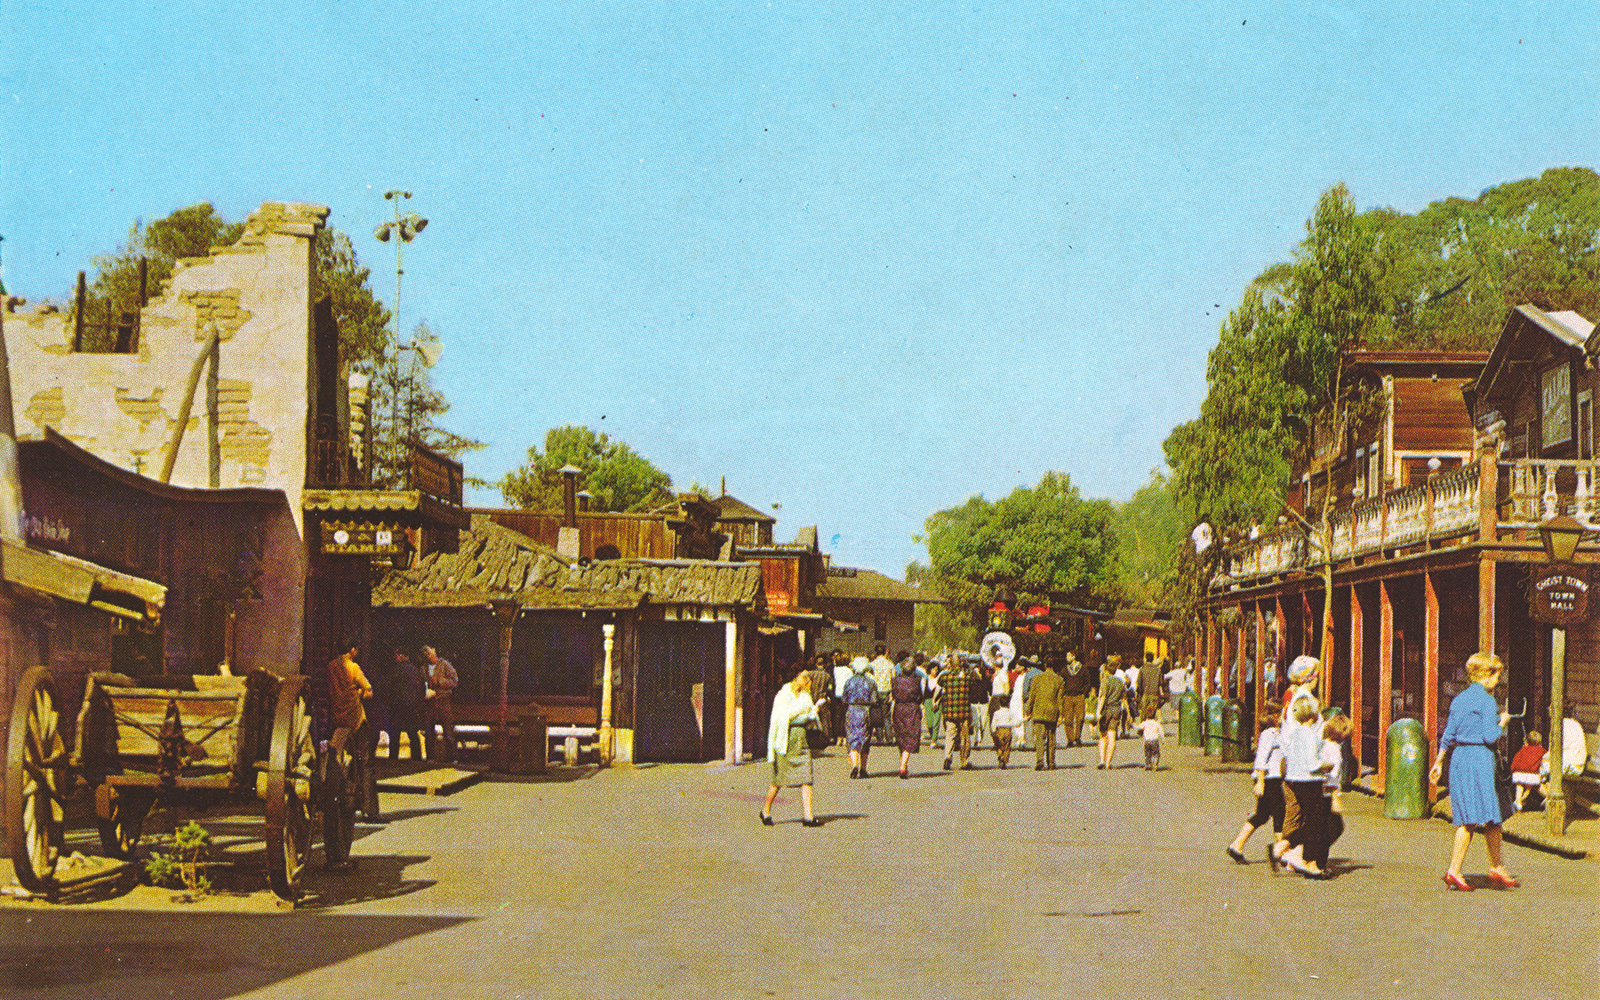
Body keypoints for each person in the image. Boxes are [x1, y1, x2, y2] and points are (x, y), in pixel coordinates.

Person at [1430, 652, 1518, 890]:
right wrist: (1503, 721)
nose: (1498, 680)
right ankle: (1454, 870)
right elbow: (1490, 737)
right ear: (1487, 674)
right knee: (1472, 820)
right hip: (1480, 759)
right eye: (1497, 674)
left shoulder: (1459, 700)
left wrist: (1438, 762)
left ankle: (1497, 866)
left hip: (1459, 759)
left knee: (1492, 815)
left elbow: (1448, 735)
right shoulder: (1488, 701)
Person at [1271, 696, 1333, 878]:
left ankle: (1285, 846)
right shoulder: (1311, 735)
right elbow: (1312, 764)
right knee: (1316, 824)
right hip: (1310, 781)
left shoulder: (1296, 733)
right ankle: (1310, 863)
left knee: (1308, 820)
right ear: (1313, 713)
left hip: (1294, 780)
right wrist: (1326, 765)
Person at [761, 667, 823, 827]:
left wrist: (814, 710)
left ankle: (808, 817)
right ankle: (766, 810)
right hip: (785, 739)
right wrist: (802, 712)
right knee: (778, 779)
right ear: (796, 677)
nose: (808, 680)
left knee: (806, 778)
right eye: (805, 677)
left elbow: (808, 716)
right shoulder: (783, 695)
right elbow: (781, 717)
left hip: (801, 739)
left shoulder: (805, 695)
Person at [1227, 700, 1284, 864]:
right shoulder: (1269, 734)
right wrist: (1260, 782)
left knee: (1262, 815)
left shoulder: (1278, 733)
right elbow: (1261, 759)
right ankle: (1281, 853)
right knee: (1280, 813)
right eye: (1281, 714)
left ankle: (1236, 845)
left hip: (1273, 777)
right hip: (1269, 779)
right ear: (1274, 715)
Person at [326, 641, 378, 820]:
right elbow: (369, 691)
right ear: (351, 650)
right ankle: (369, 809)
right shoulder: (353, 667)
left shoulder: (331, 667)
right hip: (356, 718)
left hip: (338, 719)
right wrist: (359, 694)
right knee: (365, 763)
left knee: (341, 761)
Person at [387, 647, 428, 761]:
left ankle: (393, 758)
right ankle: (417, 758)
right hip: (411, 707)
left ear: (401, 655)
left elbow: (389, 688)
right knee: (413, 734)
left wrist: (390, 703)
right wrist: (417, 703)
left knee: (395, 734)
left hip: (397, 707)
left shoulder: (395, 670)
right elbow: (422, 689)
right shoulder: (415, 671)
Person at [1024, 659, 1064, 770]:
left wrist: (1028, 710)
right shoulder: (1059, 680)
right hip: (1052, 712)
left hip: (1038, 711)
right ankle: (1051, 762)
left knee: (1039, 738)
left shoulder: (1037, 678)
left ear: (1045, 665)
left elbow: (1032, 696)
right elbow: (1060, 699)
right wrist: (1061, 715)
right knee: (1051, 738)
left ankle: (1039, 761)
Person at [940, 656, 978, 770]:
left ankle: (947, 757)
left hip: (950, 710)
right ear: (961, 664)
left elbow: (939, 682)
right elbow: (975, 679)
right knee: (964, 737)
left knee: (950, 735)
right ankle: (964, 761)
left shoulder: (945, 676)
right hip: (963, 711)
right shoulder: (966, 676)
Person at [891, 657, 925, 779]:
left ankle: (903, 764)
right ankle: (903, 765)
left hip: (899, 708)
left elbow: (894, 694)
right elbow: (920, 696)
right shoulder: (917, 681)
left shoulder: (895, 680)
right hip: (912, 709)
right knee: (910, 736)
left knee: (901, 736)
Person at [843, 656, 877, 778]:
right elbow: (874, 700)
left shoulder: (849, 681)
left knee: (852, 738)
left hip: (851, 711)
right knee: (865, 739)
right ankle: (863, 768)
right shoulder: (870, 682)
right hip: (865, 711)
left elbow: (844, 699)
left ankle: (854, 765)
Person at [422, 645, 457, 763]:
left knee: (447, 730)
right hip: (430, 701)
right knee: (429, 731)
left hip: (443, 700)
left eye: (430, 653)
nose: (429, 656)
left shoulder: (445, 665)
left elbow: (454, 681)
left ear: (434, 651)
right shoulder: (424, 668)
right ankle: (430, 757)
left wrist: (440, 681)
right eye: (426, 654)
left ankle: (452, 758)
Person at [1097, 656, 1125, 769]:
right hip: (1116, 709)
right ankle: (1108, 763)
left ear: (1107, 670)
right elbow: (1124, 698)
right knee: (1112, 736)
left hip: (1106, 709)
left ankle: (1101, 760)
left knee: (1103, 736)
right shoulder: (1120, 682)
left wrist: (1098, 711)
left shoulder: (1105, 680)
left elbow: (1103, 696)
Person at [1060, 651, 1093, 747]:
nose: (1067, 657)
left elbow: (1087, 682)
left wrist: (1084, 693)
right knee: (1068, 719)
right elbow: (1062, 682)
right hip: (1068, 696)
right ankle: (1070, 739)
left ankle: (1077, 737)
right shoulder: (1065, 670)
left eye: (1068, 655)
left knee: (1080, 718)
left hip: (1079, 695)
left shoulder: (1083, 669)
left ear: (1074, 657)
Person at [1510, 732, 1545, 812]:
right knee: (1528, 788)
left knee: (1519, 786)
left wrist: (1512, 769)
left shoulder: (1523, 750)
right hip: (1532, 773)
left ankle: (1518, 802)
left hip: (1519, 772)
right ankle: (1521, 800)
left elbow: (1516, 760)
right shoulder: (1541, 750)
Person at [1139, 652, 1163, 725]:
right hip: (1154, 694)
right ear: (1153, 659)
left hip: (1145, 694)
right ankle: (1151, 729)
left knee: (1143, 713)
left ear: (1146, 659)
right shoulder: (1157, 669)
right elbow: (1160, 682)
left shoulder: (1142, 669)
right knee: (1152, 714)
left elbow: (1139, 683)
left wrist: (1139, 694)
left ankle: (1143, 729)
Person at [991, 700, 1015, 769]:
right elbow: (1013, 722)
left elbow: (993, 723)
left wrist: (993, 730)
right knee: (1007, 746)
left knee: (999, 745)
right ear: (1008, 704)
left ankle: (1000, 756)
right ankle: (1005, 759)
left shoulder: (996, 713)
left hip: (999, 730)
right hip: (1007, 730)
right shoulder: (1010, 713)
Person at [1137, 706, 1163, 771]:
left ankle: (1148, 764)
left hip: (1147, 741)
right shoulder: (1156, 723)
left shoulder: (1145, 723)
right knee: (1156, 754)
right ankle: (1155, 763)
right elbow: (1160, 732)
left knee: (1147, 754)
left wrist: (1132, 724)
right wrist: (1162, 739)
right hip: (1155, 740)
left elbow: (1138, 727)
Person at [1164, 657, 1187, 721]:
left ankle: (1177, 716)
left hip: (1174, 690)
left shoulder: (1173, 672)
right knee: (1181, 704)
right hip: (1182, 689)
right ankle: (1181, 716)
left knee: (1176, 705)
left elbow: (1165, 676)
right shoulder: (1183, 672)